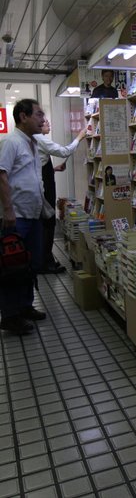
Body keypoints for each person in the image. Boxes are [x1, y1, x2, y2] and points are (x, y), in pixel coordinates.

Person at [0, 99, 47, 335]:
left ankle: (25, 306)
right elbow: (2, 175)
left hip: (33, 214)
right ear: (23, 116)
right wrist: (8, 210)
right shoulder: (10, 141)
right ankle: (10, 315)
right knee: (12, 266)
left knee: (30, 264)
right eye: (38, 114)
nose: (43, 119)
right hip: (16, 216)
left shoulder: (32, 143)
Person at [35, 119, 87, 274]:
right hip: (44, 187)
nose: (48, 123)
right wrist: (79, 137)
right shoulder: (40, 138)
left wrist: (55, 169)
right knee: (48, 222)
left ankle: (46, 258)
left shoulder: (35, 139)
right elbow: (64, 151)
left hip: (45, 181)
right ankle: (45, 261)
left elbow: (39, 163)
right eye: (44, 121)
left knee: (46, 222)